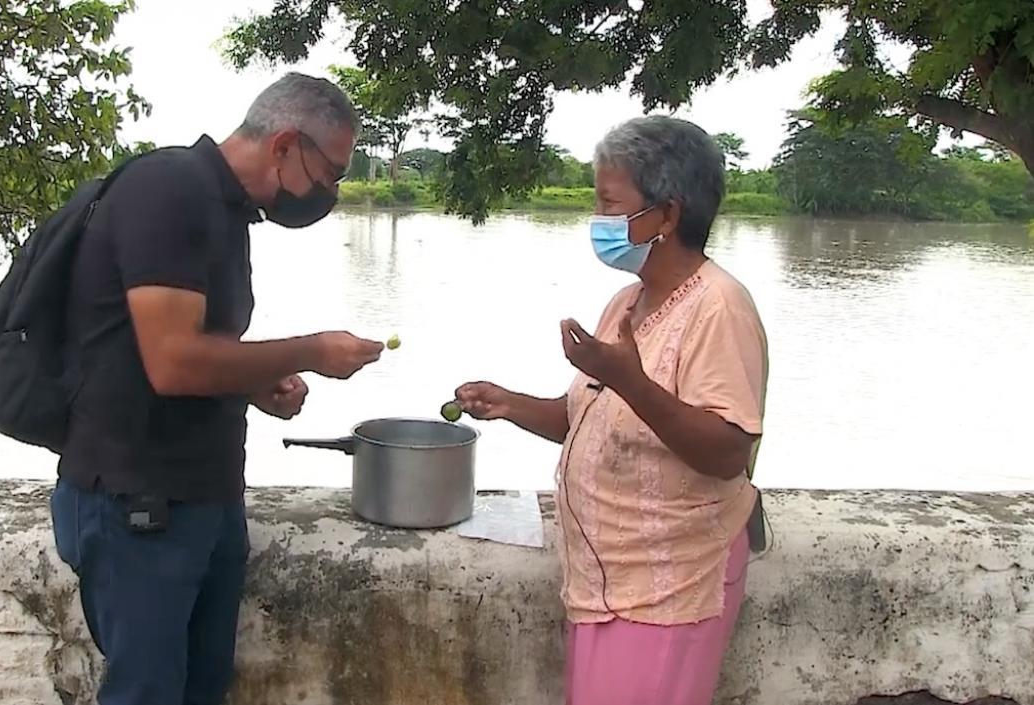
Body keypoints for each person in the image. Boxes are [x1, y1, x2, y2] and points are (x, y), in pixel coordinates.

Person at [49, 72, 384, 705]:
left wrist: (258, 381)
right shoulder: (171, 190)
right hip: (137, 503)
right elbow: (172, 363)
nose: (330, 194)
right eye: (330, 174)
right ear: (284, 144)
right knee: (146, 692)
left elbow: (182, 349)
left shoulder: (225, 210)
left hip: (200, 497)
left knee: (203, 688)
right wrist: (312, 350)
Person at [456, 116, 768, 705]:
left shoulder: (719, 308)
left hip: (668, 584)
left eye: (609, 203)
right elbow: (592, 421)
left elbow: (729, 450)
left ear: (668, 215)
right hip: (608, 577)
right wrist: (510, 405)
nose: (598, 221)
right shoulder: (628, 301)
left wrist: (630, 381)